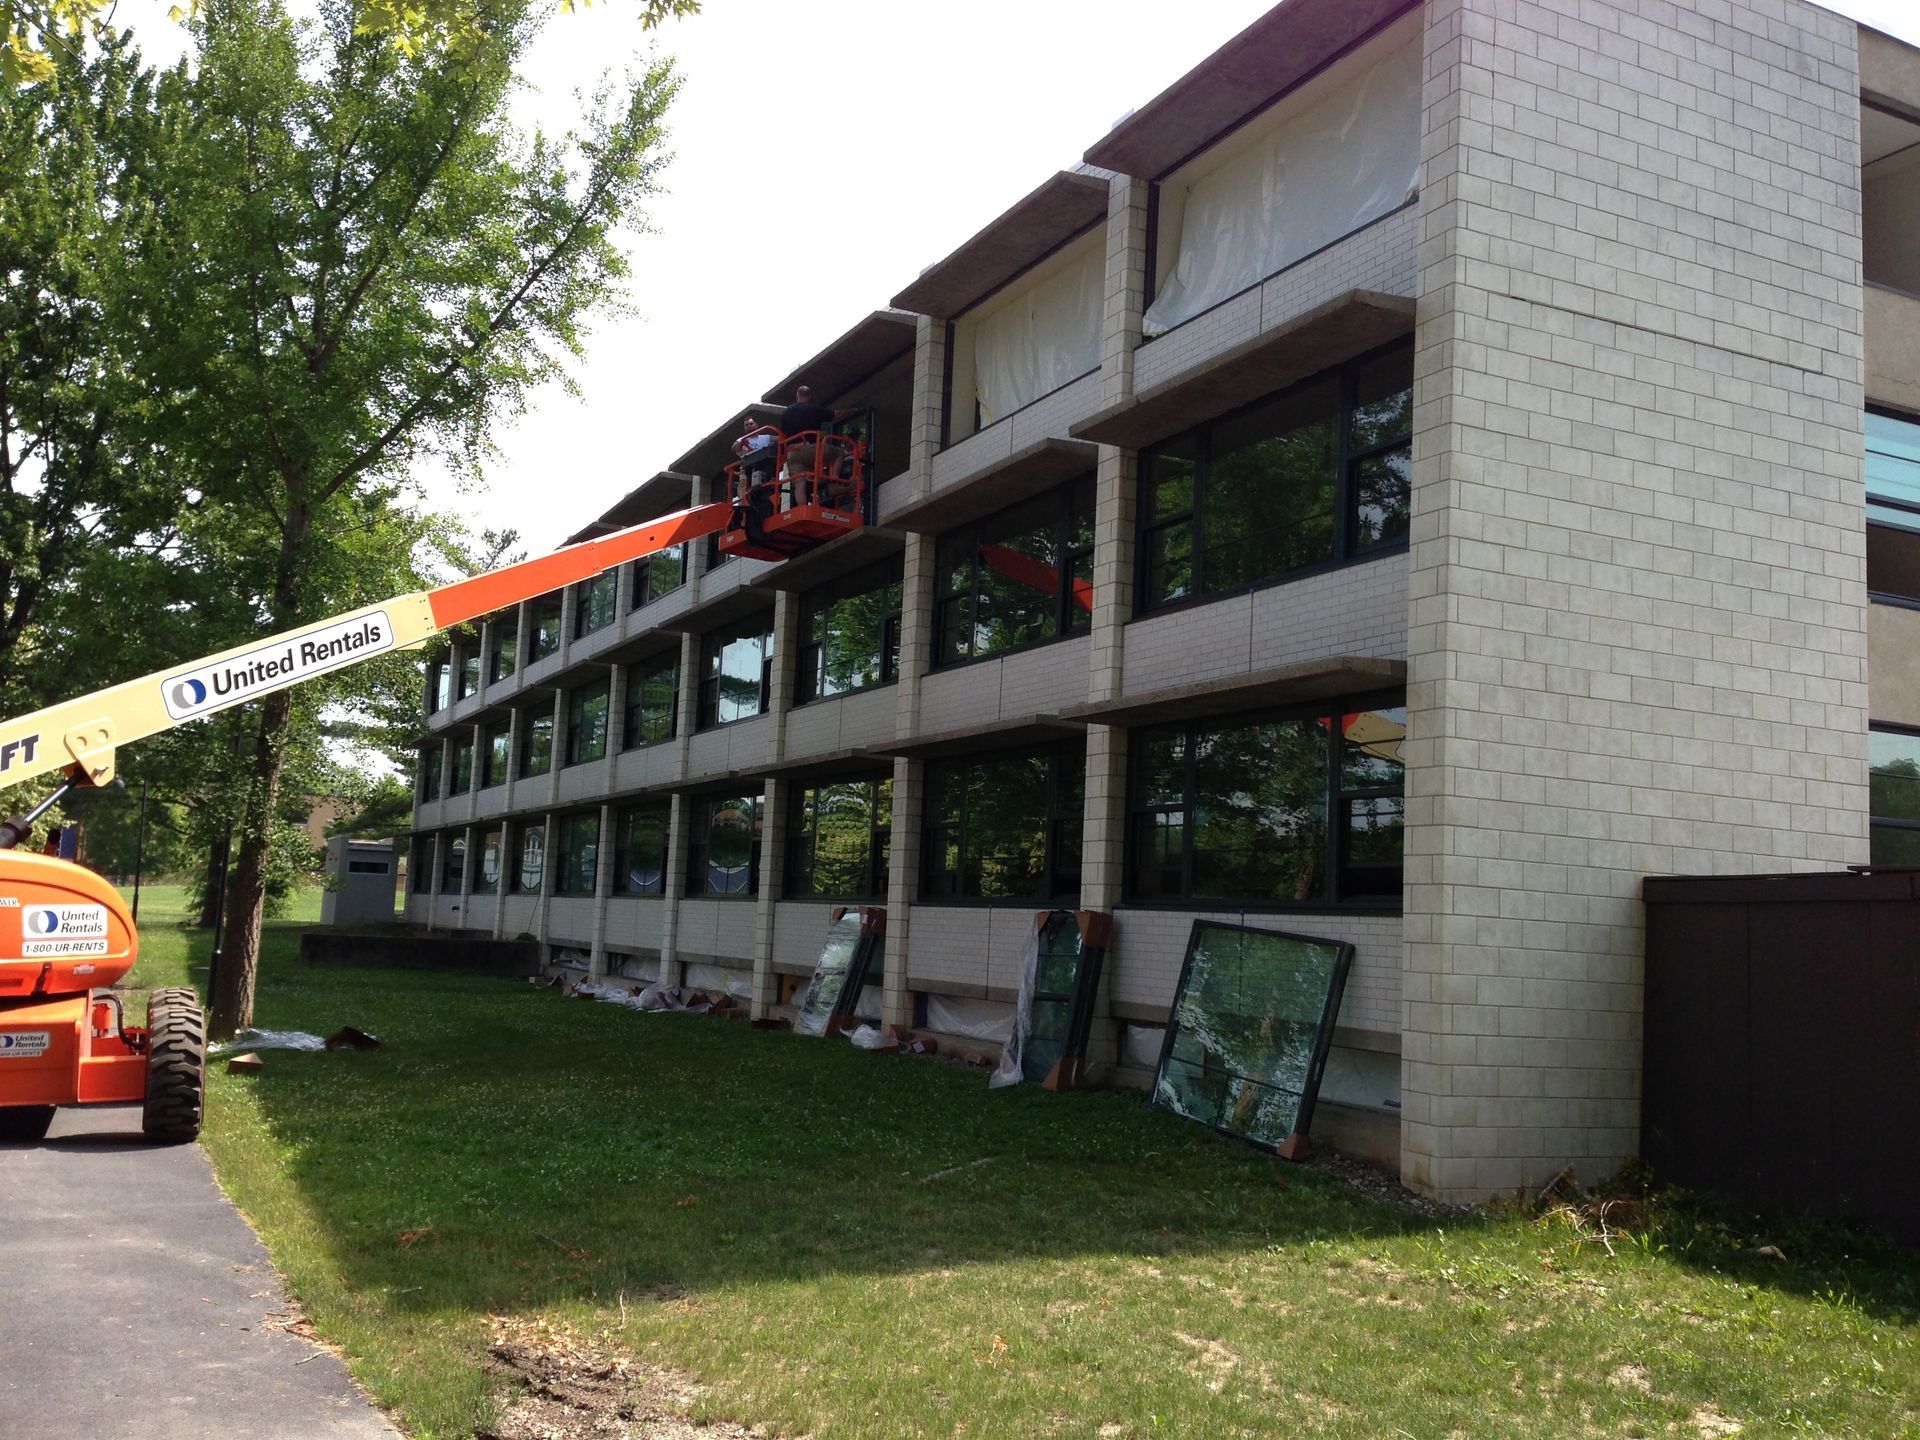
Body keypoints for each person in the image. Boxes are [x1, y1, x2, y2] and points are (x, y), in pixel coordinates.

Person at [779, 385, 861, 505]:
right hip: (809, 448)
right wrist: (853, 411)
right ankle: (833, 485)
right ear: (810, 396)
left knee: (799, 484)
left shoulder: (786, 413)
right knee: (839, 453)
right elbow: (837, 415)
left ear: (797, 395)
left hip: (792, 453)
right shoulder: (814, 410)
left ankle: (802, 510)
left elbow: (783, 434)